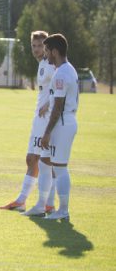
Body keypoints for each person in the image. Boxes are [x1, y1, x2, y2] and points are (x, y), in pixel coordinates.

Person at [22, 33, 78, 220]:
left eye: (47, 50)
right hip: (58, 122)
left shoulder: (62, 73)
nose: (45, 55)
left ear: (55, 51)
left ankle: (63, 210)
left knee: (60, 168)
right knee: (44, 164)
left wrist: (46, 133)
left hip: (62, 124)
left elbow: (58, 108)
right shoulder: (63, 70)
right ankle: (41, 204)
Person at [0, 31, 56, 212]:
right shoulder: (41, 65)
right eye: (34, 46)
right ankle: (22, 201)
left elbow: (60, 88)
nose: (36, 49)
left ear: (46, 47)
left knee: (43, 160)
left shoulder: (51, 64)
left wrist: (48, 104)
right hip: (37, 118)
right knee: (31, 159)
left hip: (47, 119)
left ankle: (47, 203)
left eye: (40, 46)